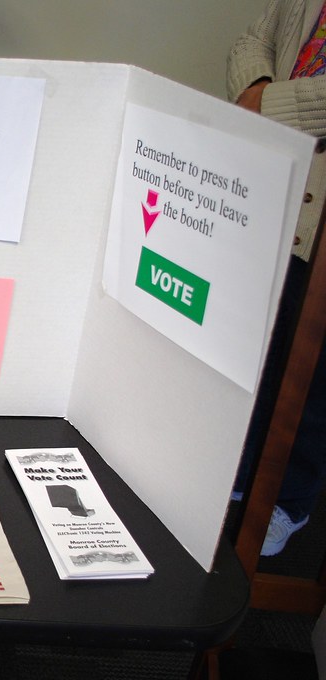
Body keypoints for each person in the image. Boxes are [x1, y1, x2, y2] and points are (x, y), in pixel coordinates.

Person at [228, 0, 326, 556]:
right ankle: (241, 476)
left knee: (314, 370)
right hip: (279, 180)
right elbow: (254, 38)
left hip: (305, 173)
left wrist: (269, 104)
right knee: (261, 341)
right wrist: (256, 89)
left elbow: (269, 104)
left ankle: (289, 502)